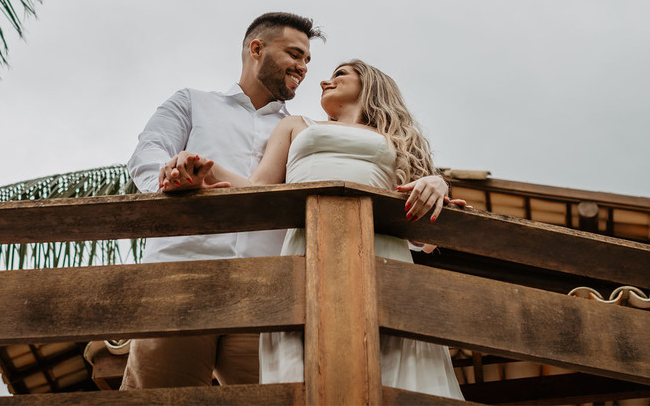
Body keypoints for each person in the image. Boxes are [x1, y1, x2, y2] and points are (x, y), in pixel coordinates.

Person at [161, 59, 467, 399]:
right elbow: (258, 189)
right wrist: (204, 167)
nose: (324, 82)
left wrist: (437, 184)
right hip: (307, 257)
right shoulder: (295, 126)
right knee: (305, 369)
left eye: (340, 74)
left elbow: (423, 240)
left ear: (370, 83)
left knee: (394, 371)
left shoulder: (397, 139)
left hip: (381, 260)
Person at [120, 12, 324, 390]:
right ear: (256, 49)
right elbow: (148, 153)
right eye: (295, 54)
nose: (304, 67)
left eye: (308, 59)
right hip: (179, 277)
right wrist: (169, 179)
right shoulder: (192, 102)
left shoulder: (303, 131)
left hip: (265, 293)